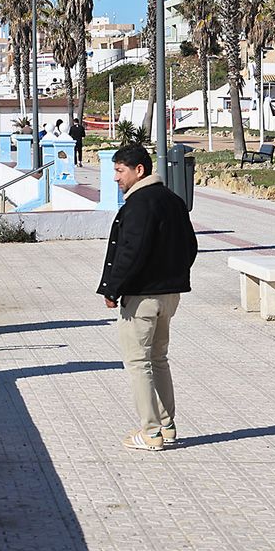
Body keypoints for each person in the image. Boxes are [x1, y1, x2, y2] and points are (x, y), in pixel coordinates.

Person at [96, 143, 197, 451]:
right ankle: (167, 426)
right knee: (159, 359)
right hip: (169, 297)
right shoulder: (174, 201)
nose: (115, 178)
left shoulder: (139, 204)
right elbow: (190, 247)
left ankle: (150, 432)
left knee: (139, 363)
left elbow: (131, 252)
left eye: (119, 170)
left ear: (139, 170)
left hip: (141, 299)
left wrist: (112, 289)